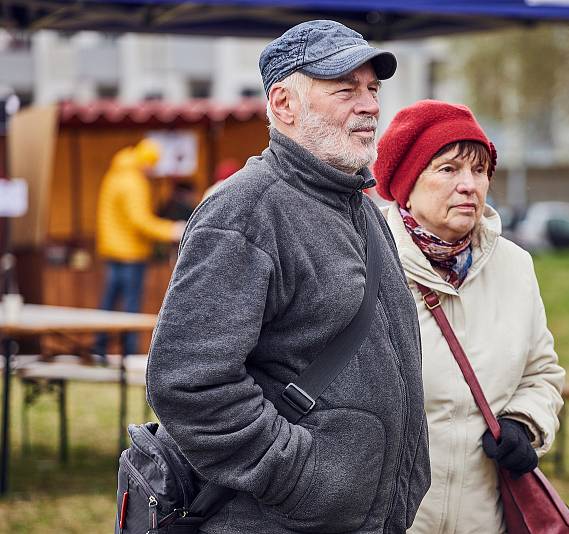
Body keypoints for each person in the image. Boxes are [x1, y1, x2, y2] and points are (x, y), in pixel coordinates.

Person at [146, 20, 430, 534]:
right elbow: (188, 384)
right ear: (283, 105)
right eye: (345, 90)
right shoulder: (243, 212)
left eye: (372, 90)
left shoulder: (360, 209)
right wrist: (302, 476)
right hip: (276, 520)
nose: (368, 106)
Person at [374, 100, 566, 534]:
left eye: (479, 171)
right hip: (394, 520)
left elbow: (542, 373)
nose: (469, 186)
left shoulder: (514, 265)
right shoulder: (367, 263)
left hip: (485, 517)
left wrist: (523, 420)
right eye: (449, 169)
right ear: (409, 181)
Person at [94, 138, 185, 358]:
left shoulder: (116, 173)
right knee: (130, 305)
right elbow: (140, 221)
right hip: (130, 252)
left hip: (112, 250)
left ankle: (99, 348)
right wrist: (172, 230)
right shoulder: (134, 182)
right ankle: (130, 352)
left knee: (108, 303)